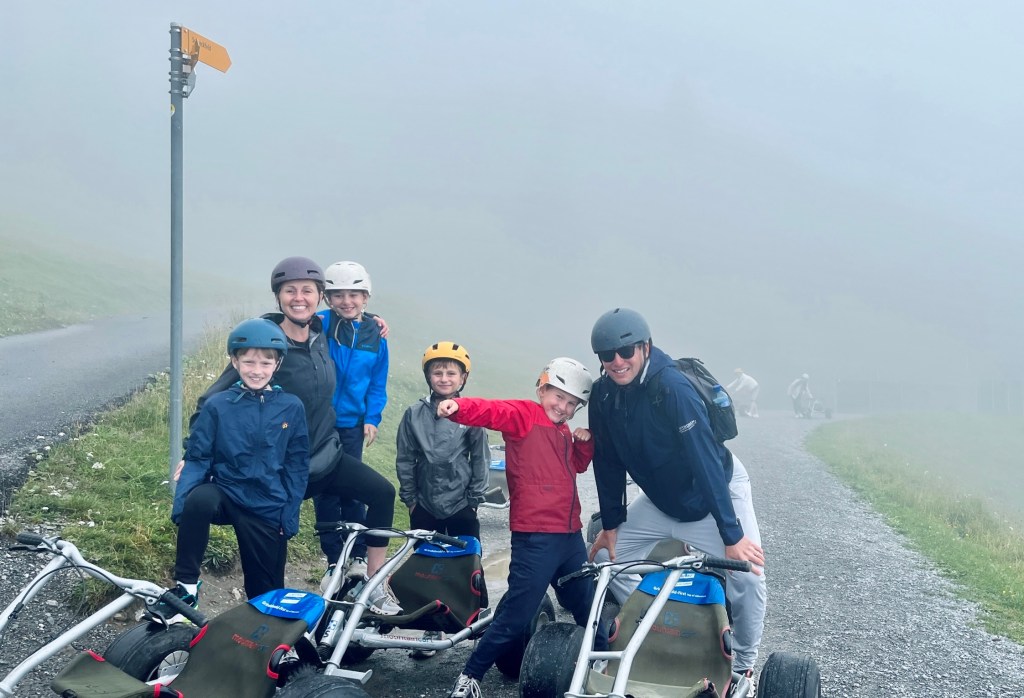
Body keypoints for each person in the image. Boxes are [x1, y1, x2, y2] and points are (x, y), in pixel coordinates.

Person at [185, 256, 402, 615]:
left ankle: (372, 581)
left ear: (320, 298)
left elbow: (351, 315)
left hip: (326, 459)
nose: (299, 298)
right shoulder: (266, 345)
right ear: (278, 297)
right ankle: (264, 640)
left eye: (308, 291)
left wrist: (374, 323)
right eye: (290, 291)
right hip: (280, 475)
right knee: (268, 578)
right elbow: (212, 400)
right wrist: (193, 456)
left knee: (382, 494)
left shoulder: (321, 332)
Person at [587, 308, 766, 688]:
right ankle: (660, 620)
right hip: (660, 500)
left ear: (645, 347)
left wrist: (731, 537)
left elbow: (705, 461)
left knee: (748, 576)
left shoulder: (672, 387)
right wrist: (612, 524)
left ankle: (742, 664)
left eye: (626, 352)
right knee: (605, 558)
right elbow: (605, 460)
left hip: (711, 493)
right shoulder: (603, 395)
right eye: (607, 356)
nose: (617, 362)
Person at [438, 358, 608, 698]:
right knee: (517, 614)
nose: (563, 407)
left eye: (572, 403)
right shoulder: (524, 416)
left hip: (570, 538)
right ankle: (469, 677)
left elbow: (577, 465)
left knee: (587, 604)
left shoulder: (563, 431)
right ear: (541, 389)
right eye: (557, 397)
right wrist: (458, 406)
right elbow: (492, 411)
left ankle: (601, 661)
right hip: (535, 539)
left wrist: (584, 442)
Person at [169, 318, 309, 610]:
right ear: (234, 361)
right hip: (227, 492)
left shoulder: (292, 407)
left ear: (277, 365)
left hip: (267, 504)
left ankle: (269, 645)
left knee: (266, 595)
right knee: (199, 499)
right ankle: (186, 587)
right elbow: (197, 457)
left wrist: (289, 515)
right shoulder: (218, 404)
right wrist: (183, 508)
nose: (256, 371)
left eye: (265, 364)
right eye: (248, 362)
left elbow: (296, 466)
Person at [396, 341, 489, 659]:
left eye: (451, 372)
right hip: (425, 503)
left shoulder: (472, 414)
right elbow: (405, 459)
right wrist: (410, 499)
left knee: (468, 562)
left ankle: (476, 621)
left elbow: (480, 459)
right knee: (427, 568)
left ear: (463, 378)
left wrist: (474, 499)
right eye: (438, 372)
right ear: (428, 376)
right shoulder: (413, 414)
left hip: (461, 502)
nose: (444, 378)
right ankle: (431, 627)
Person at [314, 261, 389, 590]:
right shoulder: (320, 323)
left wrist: (372, 418)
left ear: (366, 297)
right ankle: (334, 560)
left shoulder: (377, 335)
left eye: (354, 294)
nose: (347, 301)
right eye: (338, 295)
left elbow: (377, 382)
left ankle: (358, 556)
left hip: (353, 425)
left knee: (354, 491)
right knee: (325, 490)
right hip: (321, 423)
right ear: (327, 298)